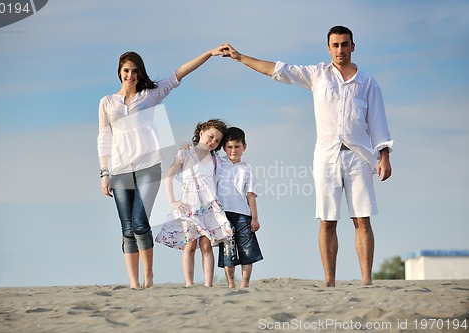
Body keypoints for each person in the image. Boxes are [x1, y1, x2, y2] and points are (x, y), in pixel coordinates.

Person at [221, 26, 393, 287]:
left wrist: (384, 156)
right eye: (335, 45)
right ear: (328, 48)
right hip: (326, 157)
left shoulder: (367, 82)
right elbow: (278, 70)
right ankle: (329, 280)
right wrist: (241, 57)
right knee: (327, 221)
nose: (340, 50)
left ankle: (366, 280)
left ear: (353, 46)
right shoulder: (317, 75)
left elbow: (378, 122)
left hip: (359, 158)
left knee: (362, 219)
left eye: (344, 44)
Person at [97, 47, 227, 289]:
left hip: (148, 168)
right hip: (119, 170)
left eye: (135, 71)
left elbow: (178, 74)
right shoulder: (107, 103)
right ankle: (134, 283)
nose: (131, 75)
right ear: (119, 72)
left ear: (140, 73)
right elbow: (103, 138)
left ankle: (149, 276)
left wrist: (208, 54)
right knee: (127, 228)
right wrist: (104, 172)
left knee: (139, 223)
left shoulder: (150, 95)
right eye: (126, 71)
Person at [155, 119, 232, 287]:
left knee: (206, 245)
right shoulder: (186, 153)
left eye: (217, 140)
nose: (213, 142)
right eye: (211, 136)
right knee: (190, 245)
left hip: (209, 208)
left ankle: (208, 285)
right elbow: (168, 175)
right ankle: (189, 284)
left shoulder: (215, 159)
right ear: (201, 132)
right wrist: (172, 201)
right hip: (189, 206)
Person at [216, 127, 263, 288]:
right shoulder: (219, 163)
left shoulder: (247, 168)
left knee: (247, 250)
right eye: (229, 147)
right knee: (228, 250)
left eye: (237, 146)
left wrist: (255, 218)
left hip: (243, 214)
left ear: (244, 147)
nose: (233, 150)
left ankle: (245, 284)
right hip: (223, 214)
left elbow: (250, 194)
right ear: (224, 148)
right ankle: (231, 283)